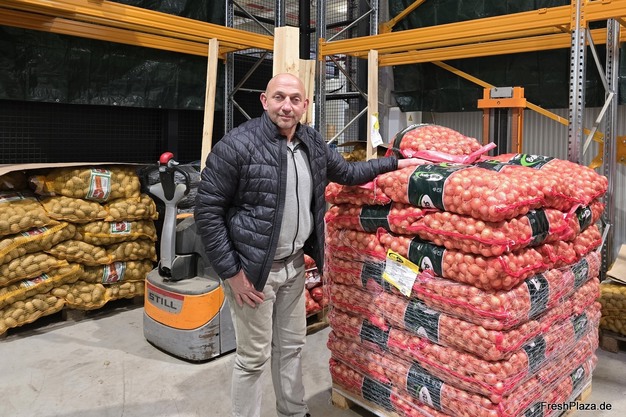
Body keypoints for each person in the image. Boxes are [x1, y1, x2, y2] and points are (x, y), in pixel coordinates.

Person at [194, 73, 420, 417]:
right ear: (264, 101)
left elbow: (348, 174)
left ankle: (294, 411)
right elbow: (207, 212)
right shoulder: (236, 146)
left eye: (295, 99)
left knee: (292, 347)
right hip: (252, 273)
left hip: (295, 266)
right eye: (279, 97)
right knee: (252, 359)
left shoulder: (311, 142)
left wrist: (395, 162)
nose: (287, 106)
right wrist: (232, 274)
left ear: (306, 105)